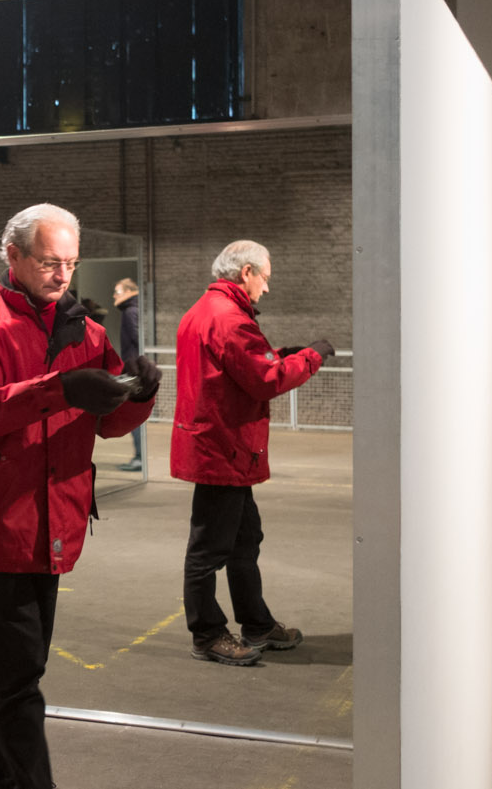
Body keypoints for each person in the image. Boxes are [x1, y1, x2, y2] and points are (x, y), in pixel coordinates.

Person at [0, 203, 162, 789]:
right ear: (12, 256)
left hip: (54, 521)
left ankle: (5, 777)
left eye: (70, 263)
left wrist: (138, 394)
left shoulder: (84, 332)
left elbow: (108, 424)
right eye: (48, 262)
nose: (62, 275)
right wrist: (61, 387)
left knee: (14, 669)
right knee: (20, 676)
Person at [171, 240, 334, 666]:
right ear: (246, 272)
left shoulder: (203, 312)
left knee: (244, 541)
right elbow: (265, 381)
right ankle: (207, 634)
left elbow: (239, 369)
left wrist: (283, 354)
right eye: (265, 277)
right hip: (222, 450)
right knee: (208, 550)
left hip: (223, 448)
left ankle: (257, 623)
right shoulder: (230, 319)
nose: (266, 287)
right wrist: (311, 358)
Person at [111, 278, 145, 472]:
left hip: (134, 371)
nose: (114, 296)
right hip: (135, 369)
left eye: (117, 291)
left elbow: (137, 337)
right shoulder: (134, 310)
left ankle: (139, 457)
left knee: (134, 416)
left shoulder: (130, 312)